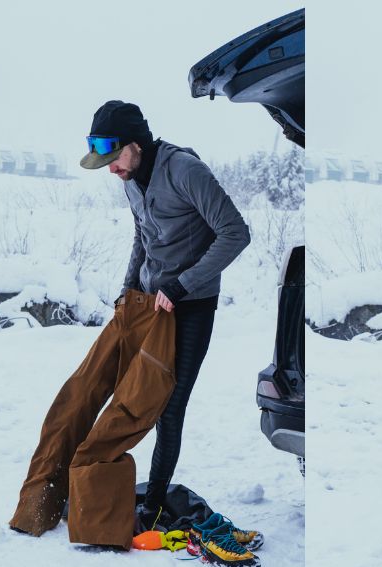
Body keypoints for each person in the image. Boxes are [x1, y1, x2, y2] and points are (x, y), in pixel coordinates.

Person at [81, 101, 252, 526]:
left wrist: (183, 285)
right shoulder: (131, 178)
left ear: (135, 145)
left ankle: (153, 503)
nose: (111, 170)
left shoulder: (185, 171)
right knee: (129, 396)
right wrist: (128, 291)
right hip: (149, 305)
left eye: (114, 158)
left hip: (190, 306)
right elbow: (144, 235)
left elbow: (236, 232)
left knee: (169, 407)